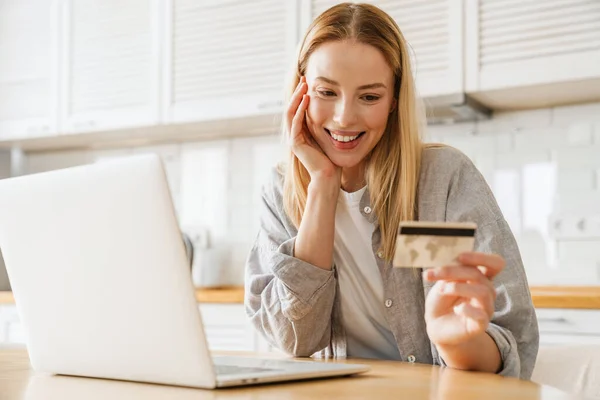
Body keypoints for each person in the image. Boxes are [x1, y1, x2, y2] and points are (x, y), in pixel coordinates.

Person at [244, 2, 538, 379]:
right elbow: (295, 338)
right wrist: (322, 185)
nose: (345, 117)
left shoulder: (441, 180)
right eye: (326, 92)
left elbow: (514, 342)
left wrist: (455, 343)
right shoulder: (282, 189)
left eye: (369, 97)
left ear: (394, 102)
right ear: (301, 93)